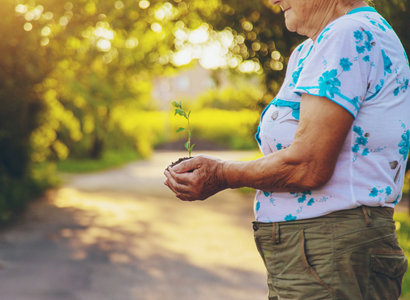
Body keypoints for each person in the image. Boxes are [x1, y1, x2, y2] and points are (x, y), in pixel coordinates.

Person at [164, 0, 410, 299]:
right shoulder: (312, 49)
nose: (273, 1)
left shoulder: (347, 33)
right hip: (312, 252)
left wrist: (222, 174)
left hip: (330, 249)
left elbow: (308, 165)